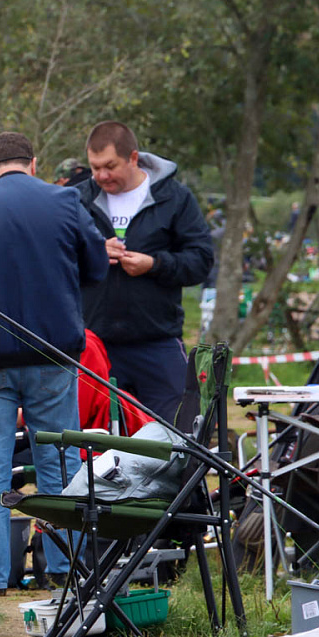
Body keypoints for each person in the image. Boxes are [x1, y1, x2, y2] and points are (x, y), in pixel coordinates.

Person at [0, 132, 108, 595]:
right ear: (33, 164)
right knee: (59, 465)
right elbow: (96, 269)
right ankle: (62, 569)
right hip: (52, 357)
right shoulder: (64, 200)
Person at [78, 121, 213, 424]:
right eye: (94, 167)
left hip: (158, 342)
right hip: (95, 346)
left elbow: (202, 260)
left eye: (110, 166)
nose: (101, 176)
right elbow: (56, 260)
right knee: (96, 447)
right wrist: (93, 253)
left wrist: (155, 264)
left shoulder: (175, 198)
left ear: (134, 158)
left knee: (179, 437)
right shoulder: (76, 200)